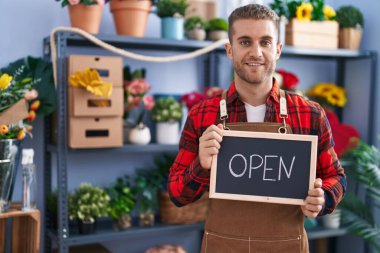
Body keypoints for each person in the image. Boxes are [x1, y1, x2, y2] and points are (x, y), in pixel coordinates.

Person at [168, 4, 346, 253]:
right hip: (223, 246)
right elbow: (177, 194)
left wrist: (323, 198)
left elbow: (336, 177)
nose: (256, 52)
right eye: (244, 42)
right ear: (229, 50)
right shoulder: (202, 115)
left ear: (278, 49)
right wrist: (201, 162)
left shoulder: (310, 114)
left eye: (265, 42)